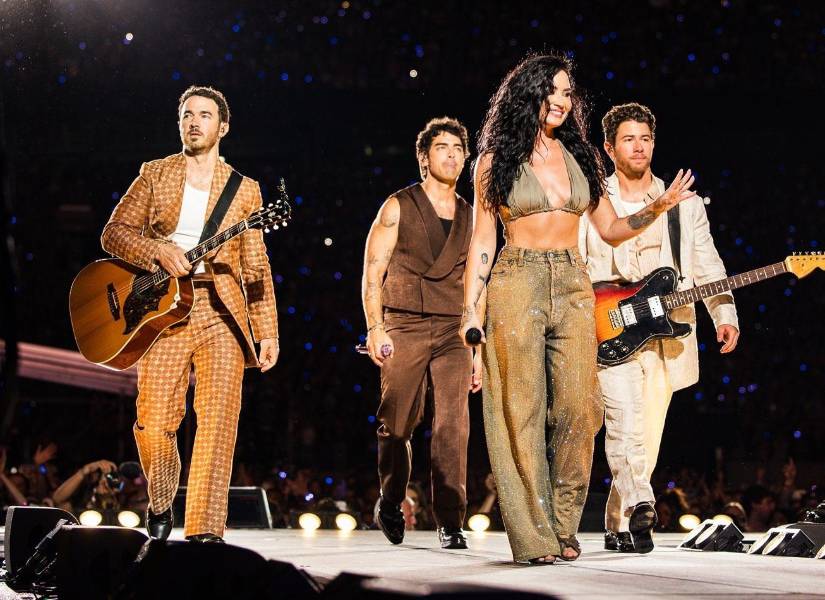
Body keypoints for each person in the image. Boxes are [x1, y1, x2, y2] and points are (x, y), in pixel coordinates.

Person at [461, 53, 696, 564]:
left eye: (568, 92)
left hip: (573, 281)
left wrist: (658, 206)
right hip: (516, 278)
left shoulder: (581, 155)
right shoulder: (493, 161)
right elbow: (482, 240)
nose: (561, 101)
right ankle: (533, 538)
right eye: (552, 90)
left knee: (578, 408)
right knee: (521, 409)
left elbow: (610, 229)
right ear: (528, 93)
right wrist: (470, 310)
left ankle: (563, 526)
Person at [101, 85, 279, 543]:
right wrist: (156, 251)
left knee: (218, 421)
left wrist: (268, 332)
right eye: (187, 114)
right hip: (161, 310)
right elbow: (113, 234)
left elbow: (256, 267)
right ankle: (161, 496)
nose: (194, 122)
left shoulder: (245, 190)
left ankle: (204, 531)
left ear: (223, 127)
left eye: (204, 115)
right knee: (154, 423)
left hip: (221, 311)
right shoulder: (155, 174)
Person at [580, 102, 739, 553]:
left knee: (646, 434)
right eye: (628, 139)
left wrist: (724, 315)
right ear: (609, 147)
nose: (639, 147)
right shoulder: (593, 199)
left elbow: (708, 264)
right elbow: (577, 261)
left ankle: (619, 521)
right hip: (609, 324)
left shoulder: (684, 204)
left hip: (666, 333)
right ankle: (642, 502)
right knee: (623, 421)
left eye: (645, 138)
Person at [362, 117, 482, 549]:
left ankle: (451, 520)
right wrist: (375, 328)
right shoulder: (398, 206)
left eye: (458, 148)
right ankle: (391, 498)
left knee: (453, 426)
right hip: (404, 322)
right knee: (397, 423)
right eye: (442, 147)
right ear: (424, 157)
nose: (451, 155)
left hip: (454, 329)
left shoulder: (473, 216)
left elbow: (477, 283)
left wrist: (477, 348)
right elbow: (372, 271)